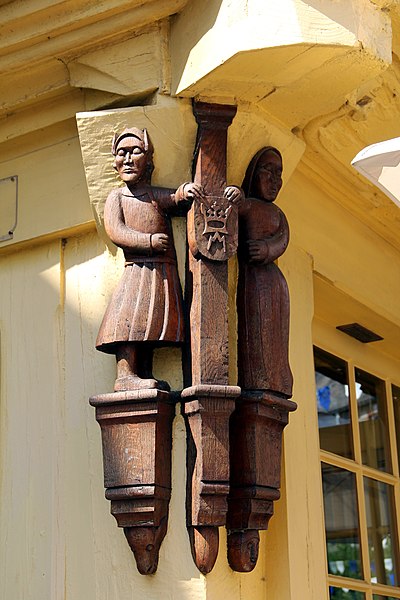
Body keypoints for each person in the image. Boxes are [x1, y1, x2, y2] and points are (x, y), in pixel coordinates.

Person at [96, 127, 203, 391]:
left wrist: (185, 192)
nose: (128, 159)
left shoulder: (153, 195)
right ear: (114, 162)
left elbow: (173, 198)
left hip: (159, 270)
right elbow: (116, 231)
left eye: (135, 152)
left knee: (152, 319)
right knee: (130, 317)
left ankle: (143, 371)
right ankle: (125, 375)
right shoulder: (117, 197)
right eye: (122, 153)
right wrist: (148, 242)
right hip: (137, 269)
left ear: (149, 160)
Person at [237, 147, 293, 397]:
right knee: (257, 326)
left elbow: (283, 239)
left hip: (273, 281)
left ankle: (279, 376)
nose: (274, 180)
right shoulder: (248, 206)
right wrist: (234, 195)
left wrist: (267, 249)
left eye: (278, 173)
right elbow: (231, 209)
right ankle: (260, 375)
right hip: (254, 280)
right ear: (253, 173)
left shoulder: (278, 214)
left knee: (277, 331)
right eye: (267, 170)